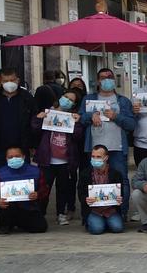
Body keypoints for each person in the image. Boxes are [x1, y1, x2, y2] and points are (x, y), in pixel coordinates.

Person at [79, 68, 136, 213]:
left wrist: (116, 117)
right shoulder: (88, 99)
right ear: (98, 81)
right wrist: (90, 116)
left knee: (122, 181)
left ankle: (121, 214)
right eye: (103, 77)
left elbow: (131, 124)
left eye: (109, 77)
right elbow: (79, 119)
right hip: (94, 150)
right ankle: (92, 215)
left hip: (117, 148)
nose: (107, 80)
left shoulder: (123, 101)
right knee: (91, 181)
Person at [31, 89, 84, 226]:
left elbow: (78, 136)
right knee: (44, 188)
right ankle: (40, 214)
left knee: (63, 189)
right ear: (60, 97)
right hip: (47, 160)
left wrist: (76, 122)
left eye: (71, 100)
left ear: (74, 104)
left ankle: (61, 213)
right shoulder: (48, 112)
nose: (67, 100)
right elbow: (34, 130)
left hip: (65, 161)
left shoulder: (72, 116)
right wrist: (39, 118)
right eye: (66, 97)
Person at [0, 67, 38, 172]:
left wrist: (32, 144)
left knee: (22, 178)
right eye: (6, 81)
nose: (9, 83)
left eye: (12, 80)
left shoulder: (27, 97)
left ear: (18, 80)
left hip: (21, 148)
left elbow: (33, 121)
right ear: (0, 81)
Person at [0, 146, 49, 234]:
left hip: (29, 208)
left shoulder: (36, 171)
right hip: (8, 209)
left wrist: (38, 194)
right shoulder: (0, 173)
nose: (14, 159)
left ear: (24, 157)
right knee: (4, 228)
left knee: (40, 228)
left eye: (17, 156)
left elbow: (45, 189)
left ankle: (21, 223)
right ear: (6, 159)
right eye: (10, 157)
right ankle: (7, 224)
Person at [78, 145, 126, 235]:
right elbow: (80, 192)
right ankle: (95, 222)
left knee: (117, 228)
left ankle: (105, 222)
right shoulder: (85, 174)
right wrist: (86, 199)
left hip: (111, 210)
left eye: (98, 157)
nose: (95, 159)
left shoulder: (116, 174)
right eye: (93, 156)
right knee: (97, 229)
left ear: (106, 158)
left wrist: (120, 199)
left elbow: (121, 193)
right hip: (93, 210)